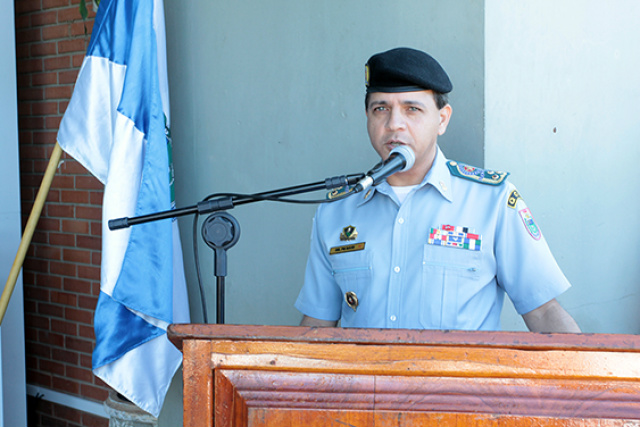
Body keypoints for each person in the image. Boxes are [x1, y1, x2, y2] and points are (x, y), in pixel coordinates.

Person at [295, 47, 580, 333]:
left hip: (456, 378)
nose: (394, 124)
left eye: (412, 109)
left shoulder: (492, 201)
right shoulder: (336, 211)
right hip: (366, 378)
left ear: (442, 120)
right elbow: (318, 325)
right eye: (380, 108)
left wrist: (584, 373)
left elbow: (543, 312)